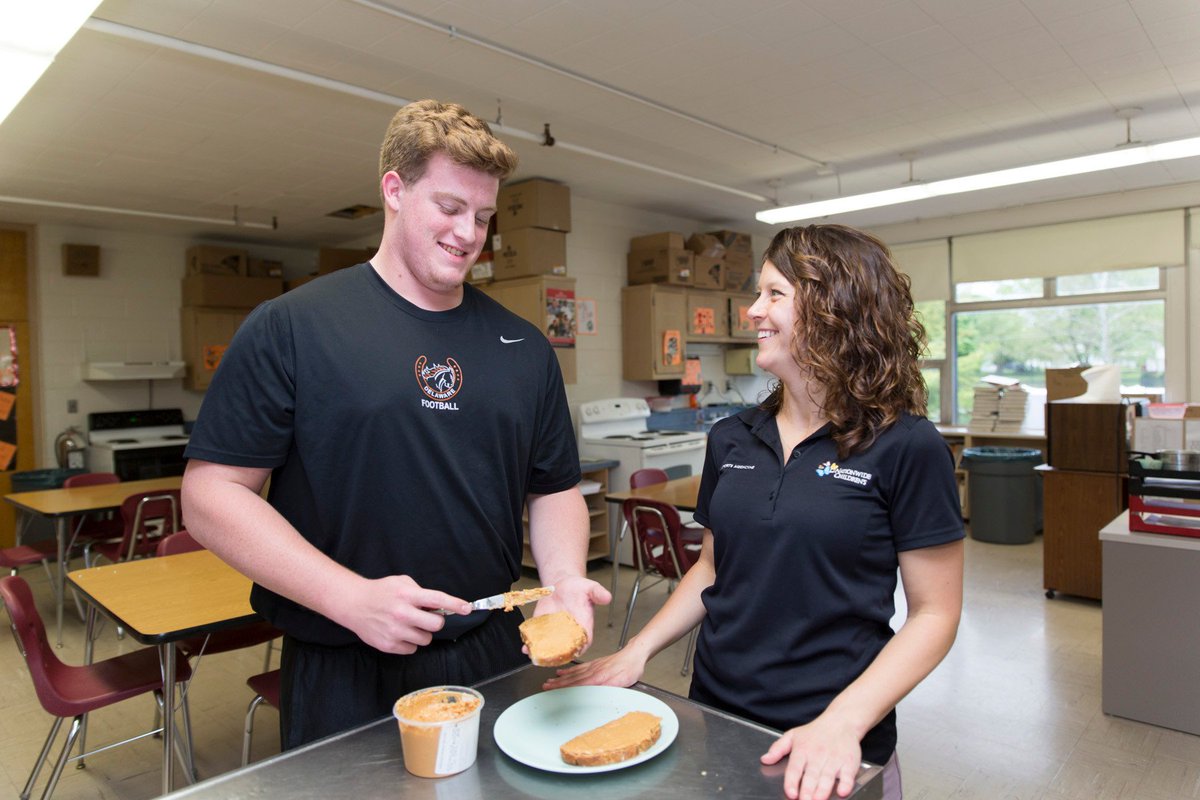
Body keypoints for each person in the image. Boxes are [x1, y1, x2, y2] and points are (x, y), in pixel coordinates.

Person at [181, 99, 609, 749]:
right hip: (341, 658)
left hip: (489, 650)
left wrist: (565, 578)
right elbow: (211, 495)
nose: (470, 233)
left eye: (484, 216)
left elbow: (552, 489)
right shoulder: (293, 327)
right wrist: (348, 597)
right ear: (394, 191)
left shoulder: (523, 347)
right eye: (449, 207)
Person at [547, 224, 964, 800]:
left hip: (833, 734)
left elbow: (934, 615)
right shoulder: (732, 438)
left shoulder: (907, 446)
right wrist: (636, 651)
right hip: (718, 715)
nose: (751, 312)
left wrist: (844, 721)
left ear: (835, 307)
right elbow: (713, 569)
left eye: (774, 294)